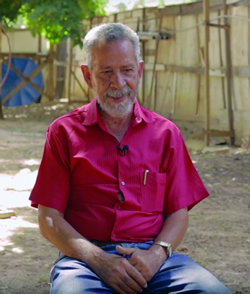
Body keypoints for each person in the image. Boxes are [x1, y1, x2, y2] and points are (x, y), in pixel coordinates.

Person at [29, 23, 232, 294]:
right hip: (85, 261)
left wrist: (157, 255)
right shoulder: (63, 132)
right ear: (88, 76)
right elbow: (49, 219)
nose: (118, 83)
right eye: (106, 73)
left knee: (212, 291)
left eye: (126, 70)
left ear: (140, 70)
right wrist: (99, 260)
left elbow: (178, 214)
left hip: (155, 260)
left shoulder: (166, 134)